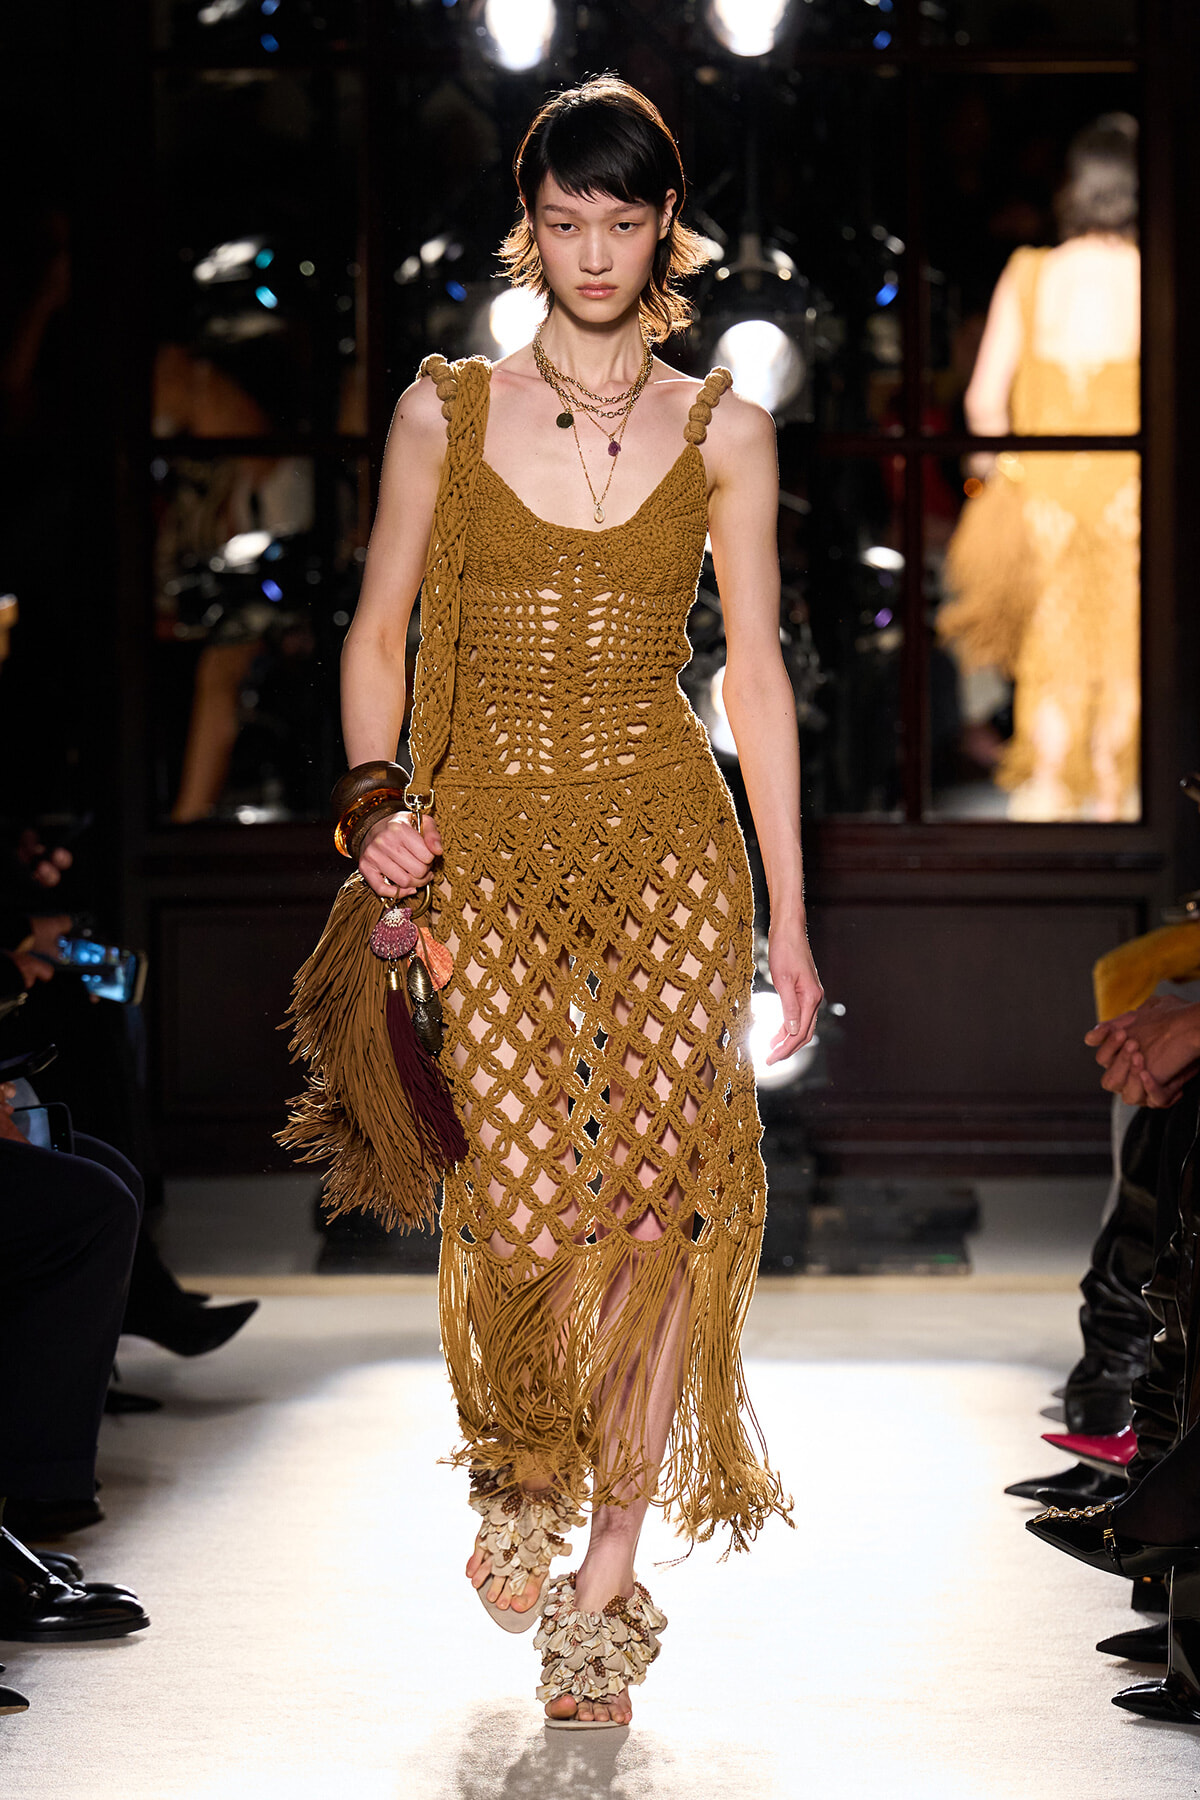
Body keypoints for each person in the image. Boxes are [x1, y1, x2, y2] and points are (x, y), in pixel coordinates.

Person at [329, 77, 822, 1727]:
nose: (594, 252)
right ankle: (526, 1478)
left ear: (665, 228)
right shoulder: (447, 414)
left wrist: (790, 919)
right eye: (565, 221)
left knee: (663, 1214)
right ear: (528, 226)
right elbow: (380, 630)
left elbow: (755, 679)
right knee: (530, 1203)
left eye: (622, 222)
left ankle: (605, 1580)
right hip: (488, 849)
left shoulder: (724, 429)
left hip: (669, 849)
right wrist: (373, 811)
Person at [938, 114, 1140, 822]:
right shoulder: (1156, 276)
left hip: (1045, 504)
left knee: (1053, 650)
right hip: (1133, 505)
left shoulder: (1031, 273)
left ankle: (1054, 803)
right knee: (1127, 653)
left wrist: (1000, 488)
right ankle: (1118, 807)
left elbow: (984, 402)